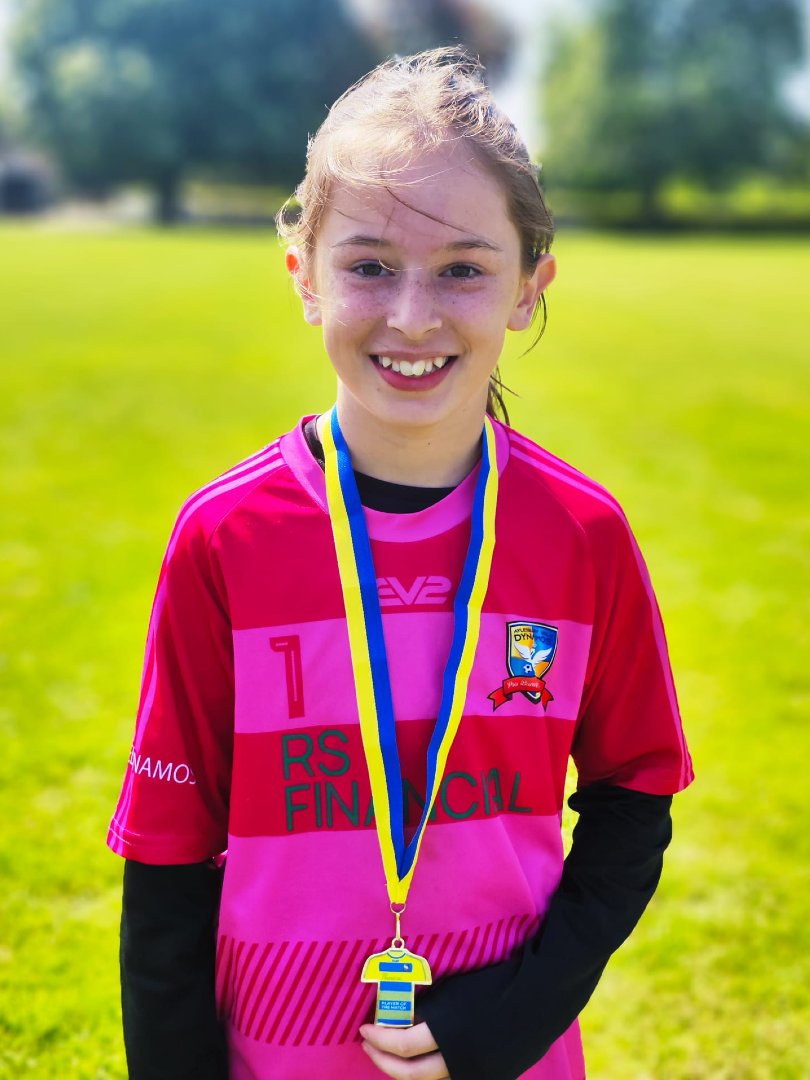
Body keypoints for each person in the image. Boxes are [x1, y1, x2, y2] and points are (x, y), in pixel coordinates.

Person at [108, 47, 693, 1080]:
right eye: (369, 263)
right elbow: (168, 854)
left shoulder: (581, 535)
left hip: (511, 1050)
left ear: (527, 287)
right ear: (304, 275)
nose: (413, 315)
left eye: (464, 267)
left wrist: (509, 1022)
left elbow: (633, 800)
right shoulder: (226, 536)